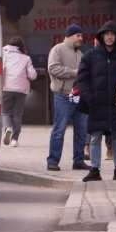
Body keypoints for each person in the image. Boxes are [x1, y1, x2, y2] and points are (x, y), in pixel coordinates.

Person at [76, 21, 116, 181]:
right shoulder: (90, 56)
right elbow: (82, 79)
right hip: (96, 104)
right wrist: (88, 98)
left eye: (112, 34)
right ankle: (95, 170)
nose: (109, 37)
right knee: (95, 137)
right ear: (101, 36)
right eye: (106, 34)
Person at [46, 24, 89, 171]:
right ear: (70, 35)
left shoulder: (81, 54)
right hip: (63, 96)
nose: (81, 39)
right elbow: (53, 68)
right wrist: (74, 72)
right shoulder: (57, 49)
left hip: (78, 96)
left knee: (81, 130)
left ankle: (78, 161)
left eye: (81, 36)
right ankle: (52, 161)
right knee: (59, 129)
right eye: (78, 36)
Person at [1, 36, 37, 147]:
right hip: (21, 90)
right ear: (21, 46)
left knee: (5, 112)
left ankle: (8, 128)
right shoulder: (26, 58)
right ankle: (14, 140)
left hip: (6, 88)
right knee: (17, 114)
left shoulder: (3, 55)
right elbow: (32, 75)